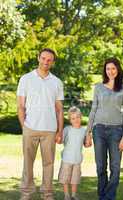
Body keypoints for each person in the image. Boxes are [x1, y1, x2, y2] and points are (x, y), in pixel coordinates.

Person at [17, 48, 64, 200]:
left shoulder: (57, 82)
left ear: (53, 62)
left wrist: (60, 131)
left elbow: (59, 110)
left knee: (48, 163)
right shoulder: (26, 79)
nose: (45, 62)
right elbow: (20, 106)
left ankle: (47, 194)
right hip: (30, 127)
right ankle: (26, 193)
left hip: (50, 129)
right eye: (43, 58)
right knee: (27, 163)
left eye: (49, 60)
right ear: (38, 58)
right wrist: (24, 126)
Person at [86, 58, 123, 200]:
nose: (110, 71)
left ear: (118, 69)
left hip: (116, 131)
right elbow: (93, 110)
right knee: (100, 166)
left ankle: (109, 197)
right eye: (107, 69)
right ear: (105, 71)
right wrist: (88, 132)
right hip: (98, 130)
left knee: (115, 168)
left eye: (113, 68)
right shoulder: (98, 87)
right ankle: (102, 196)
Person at [58, 106, 91, 200]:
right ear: (70, 120)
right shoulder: (67, 129)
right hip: (67, 159)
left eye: (77, 117)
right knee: (65, 178)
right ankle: (66, 195)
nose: (76, 120)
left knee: (75, 179)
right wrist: (58, 136)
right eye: (73, 118)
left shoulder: (84, 130)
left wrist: (89, 137)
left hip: (77, 160)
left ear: (81, 117)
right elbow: (60, 141)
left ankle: (73, 195)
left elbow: (87, 145)